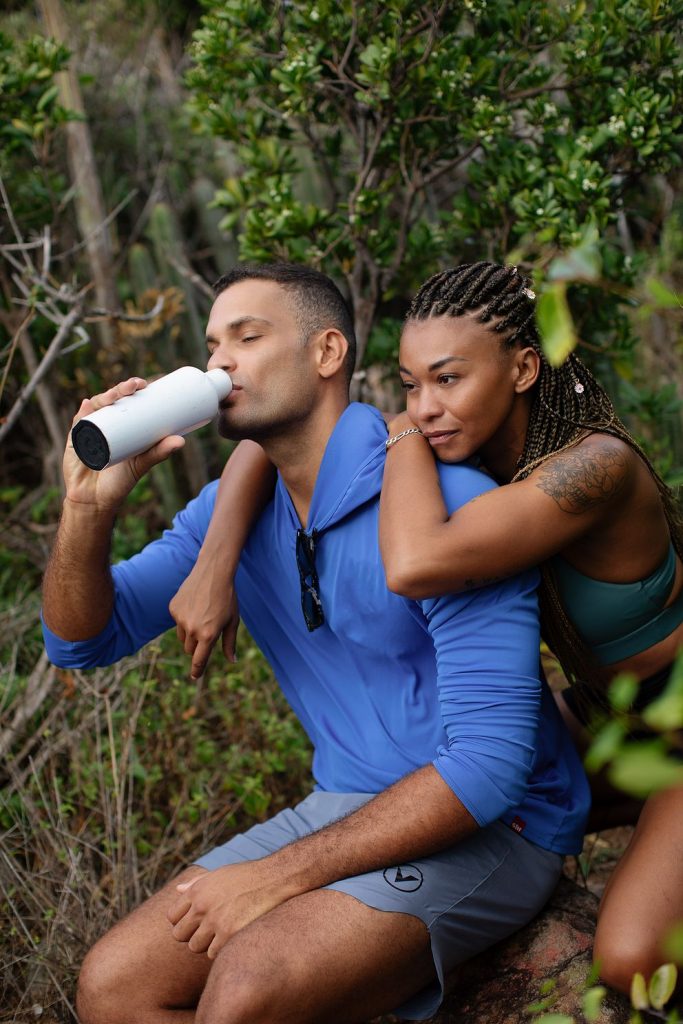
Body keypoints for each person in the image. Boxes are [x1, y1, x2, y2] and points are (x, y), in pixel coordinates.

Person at [42, 262, 589, 1024]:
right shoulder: (224, 520)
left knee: (243, 991)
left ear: (327, 353)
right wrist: (85, 507)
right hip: (344, 802)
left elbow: (489, 769)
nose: (220, 362)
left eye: (248, 336)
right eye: (211, 343)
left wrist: (277, 878)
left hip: (500, 823)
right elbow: (80, 641)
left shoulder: (447, 509)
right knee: (112, 987)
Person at [172, 260, 683, 999]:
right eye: (410, 384)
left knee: (630, 958)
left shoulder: (595, 469)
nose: (429, 404)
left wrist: (400, 425)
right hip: (611, 723)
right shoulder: (473, 452)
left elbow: (413, 563)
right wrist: (215, 561)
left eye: (448, 379)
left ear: (522, 368)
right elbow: (263, 446)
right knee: (466, 794)